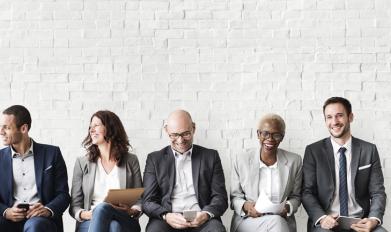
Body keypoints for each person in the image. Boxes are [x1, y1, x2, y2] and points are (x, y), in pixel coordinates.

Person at [302, 97, 387, 232]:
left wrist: (373, 219)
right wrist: (322, 218)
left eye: (339, 116)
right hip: (327, 223)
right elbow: (307, 192)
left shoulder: (369, 150)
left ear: (350, 117)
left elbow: (378, 192)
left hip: (361, 222)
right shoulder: (313, 151)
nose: (334, 122)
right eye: (329, 117)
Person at [142, 109, 228, 232]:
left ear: (193, 128)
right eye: (174, 135)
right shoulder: (154, 159)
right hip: (168, 219)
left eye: (185, 134)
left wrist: (206, 214)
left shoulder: (211, 156)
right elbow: (148, 201)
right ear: (166, 130)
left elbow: (220, 197)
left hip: (201, 218)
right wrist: (166, 216)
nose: (180, 140)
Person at [69, 110, 143, 232]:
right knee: (113, 226)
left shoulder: (131, 160)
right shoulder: (82, 163)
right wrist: (87, 214)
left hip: (123, 218)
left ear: (110, 128)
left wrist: (131, 210)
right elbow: (75, 206)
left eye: (96, 125)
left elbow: (140, 199)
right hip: (90, 221)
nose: (91, 130)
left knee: (104, 209)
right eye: (90, 127)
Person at [0, 105, 70, 232]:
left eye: (6, 127)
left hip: (41, 220)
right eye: (1, 127)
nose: (1, 131)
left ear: (23, 128)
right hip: (8, 219)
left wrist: (47, 210)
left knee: (35, 226)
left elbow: (63, 194)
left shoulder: (52, 153)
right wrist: (6, 211)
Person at [230, 113, 302, 232]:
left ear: (282, 137)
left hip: (281, 219)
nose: (270, 139)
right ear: (258, 134)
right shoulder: (241, 159)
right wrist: (247, 206)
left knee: (277, 222)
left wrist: (288, 207)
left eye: (276, 135)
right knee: (277, 223)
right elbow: (235, 197)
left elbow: (296, 196)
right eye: (265, 133)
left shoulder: (294, 161)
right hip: (249, 220)